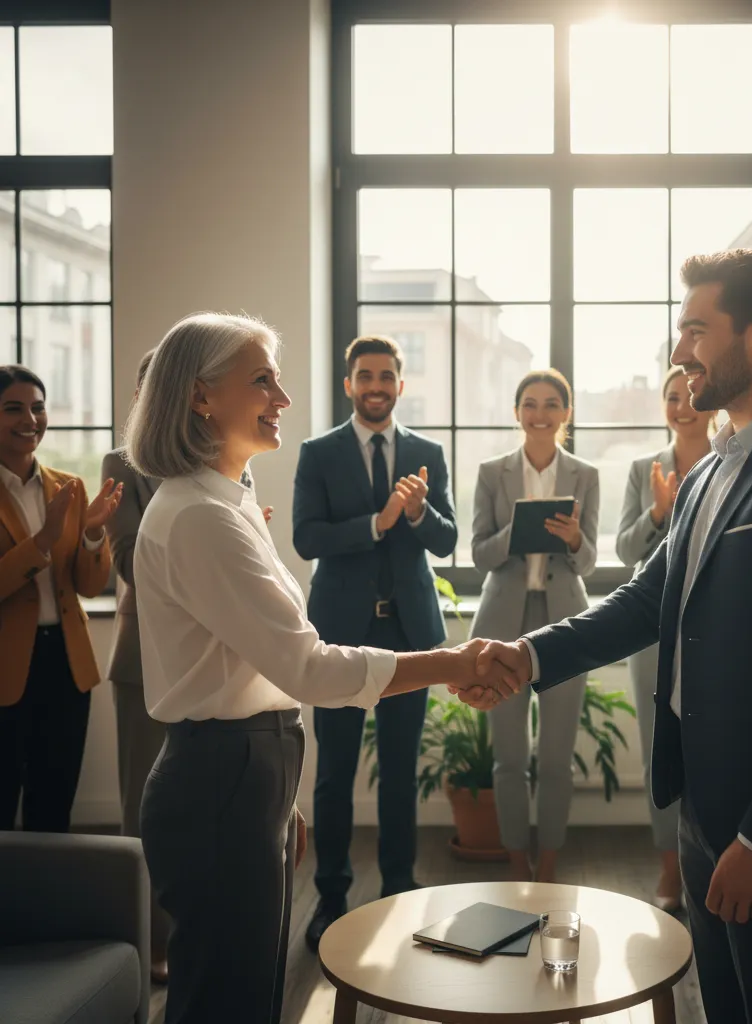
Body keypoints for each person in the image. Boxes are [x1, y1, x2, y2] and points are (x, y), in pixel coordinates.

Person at [468, 250, 752, 1024]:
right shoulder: (705, 474)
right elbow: (642, 603)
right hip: (702, 811)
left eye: (696, 330)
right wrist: (525, 657)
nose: (678, 353)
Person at [123, 313, 514, 1024]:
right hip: (222, 777)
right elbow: (306, 664)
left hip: (247, 768)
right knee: (223, 998)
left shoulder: (228, 503)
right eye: (262, 380)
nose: (283, 396)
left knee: (245, 991)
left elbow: (259, 661)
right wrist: (453, 661)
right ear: (202, 397)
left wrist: (278, 791)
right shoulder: (200, 517)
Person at [293, 334, 458, 951]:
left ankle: (398, 894)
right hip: (339, 636)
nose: (376, 386)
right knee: (333, 775)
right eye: (365, 375)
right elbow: (307, 538)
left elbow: (445, 540)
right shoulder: (318, 453)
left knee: (398, 772)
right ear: (349, 384)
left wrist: (415, 516)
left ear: (400, 384)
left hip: (408, 634)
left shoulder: (427, 452)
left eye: (386, 376)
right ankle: (330, 901)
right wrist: (377, 523)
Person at [470, 369, 599, 883]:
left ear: (565, 413)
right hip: (503, 620)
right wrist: (516, 532)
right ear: (517, 411)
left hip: (565, 620)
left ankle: (547, 863)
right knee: (508, 757)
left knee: (555, 758)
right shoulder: (491, 472)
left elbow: (588, 562)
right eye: (530, 403)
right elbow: (480, 553)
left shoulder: (585, 474)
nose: (539, 414)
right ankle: (513, 860)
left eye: (550, 404)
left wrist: (571, 540)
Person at [0, 365, 121, 832]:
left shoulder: (67, 487)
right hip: (7, 668)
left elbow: (89, 587)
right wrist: (44, 540)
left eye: (37, 407)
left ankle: (47, 904)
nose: (30, 418)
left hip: (66, 666)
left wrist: (92, 535)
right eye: (13, 408)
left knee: (55, 801)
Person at [616, 365, 714, 912]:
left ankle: (709, 861)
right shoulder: (642, 467)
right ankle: (669, 869)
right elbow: (628, 549)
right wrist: (659, 509)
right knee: (661, 749)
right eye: (671, 397)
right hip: (653, 625)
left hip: (717, 624)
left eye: (689, 395)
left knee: (710, 746)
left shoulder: (731, 459)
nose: (682, 406)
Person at [102, 349, 175, 983]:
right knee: (143, 811)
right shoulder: (119, 465)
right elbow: (128, 563)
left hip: (211, 661)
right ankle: (146, 946)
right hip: (145, 661)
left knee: (195, 810)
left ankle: (190, 937)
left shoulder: (219, 457)